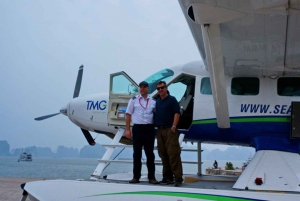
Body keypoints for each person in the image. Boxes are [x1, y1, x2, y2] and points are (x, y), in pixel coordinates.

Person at [125, 81, 159, 184]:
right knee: (137, 154)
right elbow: (128, 114)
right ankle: (136, 177)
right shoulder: (133, 100)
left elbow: (157, 114)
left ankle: (152, 177)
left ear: (148, 88)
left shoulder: (153, 101)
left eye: (144, 87)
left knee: (150, 154)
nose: (142, 89)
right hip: (138, 129)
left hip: (149, 129)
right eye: (141, 87)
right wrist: (127, 129)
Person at [154, 81, 183, 187]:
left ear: (166, 88)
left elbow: (177, 113)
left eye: (162, 88)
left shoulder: (172, 99)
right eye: (158, 88)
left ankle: (178, 178)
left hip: (170, 129)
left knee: (173, 154)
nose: (160, 90)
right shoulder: (157, 101)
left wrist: (174, 126)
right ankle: (167, 177)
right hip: (160, 130)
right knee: (163, 154)